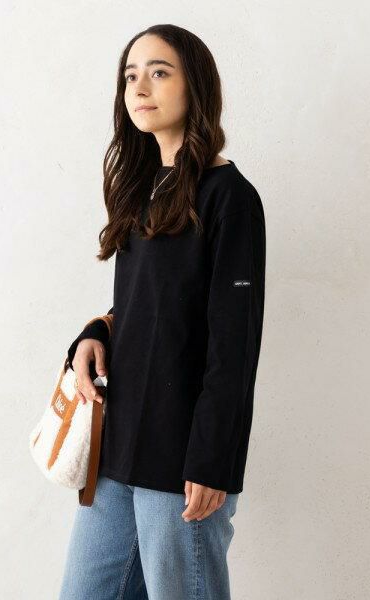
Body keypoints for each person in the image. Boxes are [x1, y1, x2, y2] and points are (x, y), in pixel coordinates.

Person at [58, 24, 266, 600]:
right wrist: (95, 333)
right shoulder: (143, 188)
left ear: (194, 85)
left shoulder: (230, 199)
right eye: (131, 76)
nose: (140, 87)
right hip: (118, 449)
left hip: (181, 463)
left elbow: (234, 341)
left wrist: (213, 461)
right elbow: (151, 304)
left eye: (159, 72)